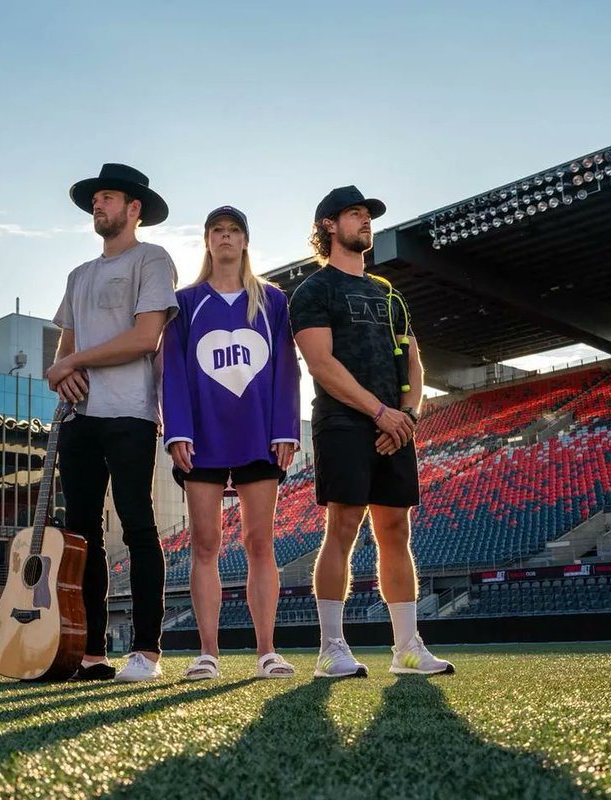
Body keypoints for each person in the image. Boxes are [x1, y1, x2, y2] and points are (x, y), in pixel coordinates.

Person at [288, 185, 454, 678]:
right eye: (354, 215)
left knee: (395, 530)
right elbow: (322, 364)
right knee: (342, 526)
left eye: (367, 216)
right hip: (343, 422)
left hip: (394, 427)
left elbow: (415, 361)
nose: (365, 222)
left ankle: (407, 647)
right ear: (328, 226)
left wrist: (406, 417)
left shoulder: (388, 294)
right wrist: (379, 412)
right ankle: (331, 649)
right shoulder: (315, 290)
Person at [48, 163, 178, 683]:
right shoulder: (79, 275)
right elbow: (64, 350)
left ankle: (146, 651)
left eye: (107, 198)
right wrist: (63, 372)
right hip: (80, 418)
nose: (98, 206)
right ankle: (91, 652)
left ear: (133, 209)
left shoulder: (153, 259)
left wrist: (73, 364)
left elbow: (146, 338)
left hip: (130, 412)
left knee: (138, 524)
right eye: (95, 199)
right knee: (81, 536)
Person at [161, 205, 301, 681]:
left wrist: (286, 428)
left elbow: (287, 367)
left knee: (259, 542)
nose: (225, 237)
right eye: (217, 231)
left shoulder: (273, 301)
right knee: (205, 543)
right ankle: (208, 654)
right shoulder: (185, 303)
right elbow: (173, 374)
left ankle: (267, 651)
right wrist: (177, 429)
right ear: (206, 241)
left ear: (245, 241)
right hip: (201, 437)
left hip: (258, 434)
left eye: (234, 230)